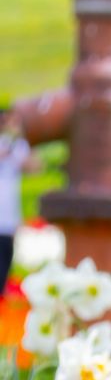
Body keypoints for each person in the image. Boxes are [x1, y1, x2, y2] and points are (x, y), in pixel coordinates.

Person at [0, 107, 37, 285]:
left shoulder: (18, 145)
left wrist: (22, 138)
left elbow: (33, 167)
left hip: (7, 218)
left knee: (5, 264)